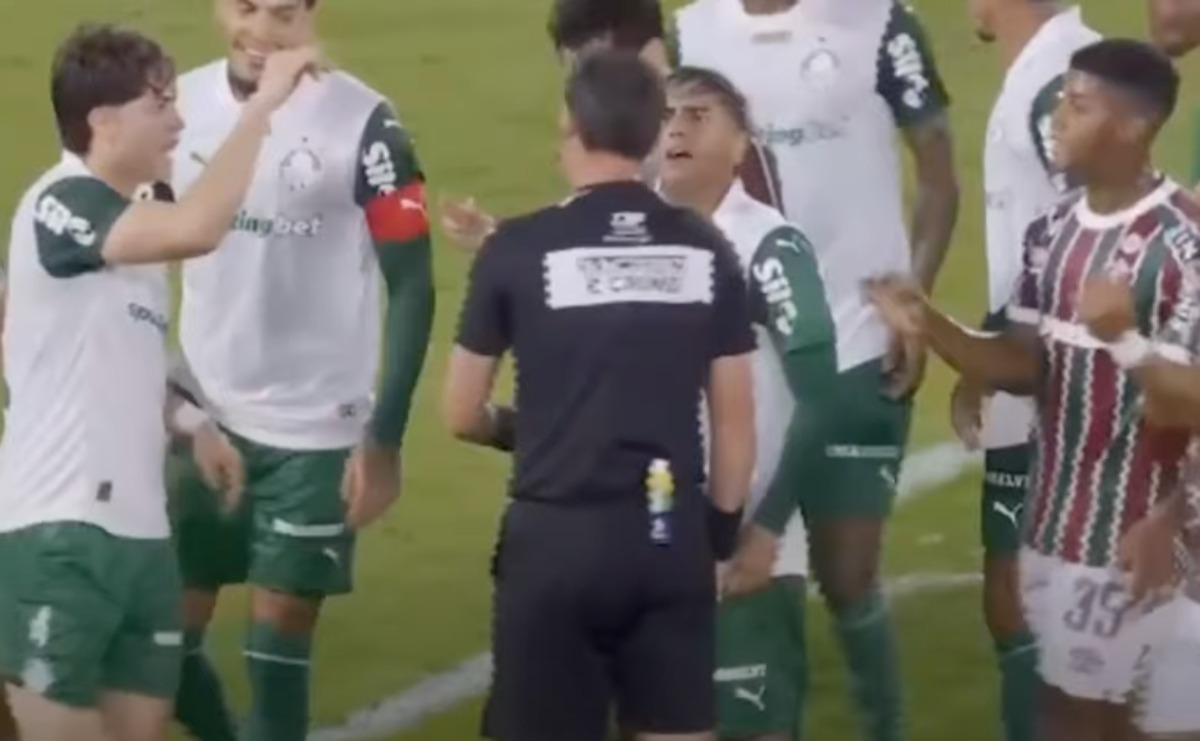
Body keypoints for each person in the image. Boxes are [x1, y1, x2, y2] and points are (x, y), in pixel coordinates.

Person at [866, 38, 1193, 741]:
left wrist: (1123, 339)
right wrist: (930, 323)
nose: (1057, 119)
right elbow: (1024, 363)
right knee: (1067, 718)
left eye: (1078, 106)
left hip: (1147, 535)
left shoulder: (1183, 246)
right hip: (1056, 529)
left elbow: (1188, 401)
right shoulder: (1051, 232)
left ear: (1134, 126)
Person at [0, 23, 310, 741]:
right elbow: (199, 227)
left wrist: (194, 426)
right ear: (104, 121)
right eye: (158, 104)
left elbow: (119, 364)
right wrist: (262, 107)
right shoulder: (63, 202)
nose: (177, 120)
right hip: (62, 533)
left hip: (143, 543)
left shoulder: (127, 236)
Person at [443, 49, 755, 741]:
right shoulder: (707, 249)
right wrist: (716, 541)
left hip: (556, 537)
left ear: (570, 126)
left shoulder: (516, 248)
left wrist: (528, 428)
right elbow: (736, 425)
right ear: (652, 135)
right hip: (667, 529)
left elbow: (460, 412)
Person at [668, 3, 958, 739]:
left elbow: (938, 173)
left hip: (860, 334)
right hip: (747, 352)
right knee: (743, 566)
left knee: (847, 570)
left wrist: (914, 298)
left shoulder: (879, 22)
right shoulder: (693, 31)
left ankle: (883, 726)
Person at [165, 0, 437, 739]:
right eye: (245, 7)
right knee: (164, 649)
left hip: (315, 431)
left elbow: (412, 282)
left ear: (310, 12)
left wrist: (384, 439)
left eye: (281, 11)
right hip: (202, 417)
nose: (259, 29)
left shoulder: (368, 125)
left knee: (275, 655)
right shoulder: (178, 108)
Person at [656, 66, 827, 741]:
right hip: (643, 537)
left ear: (740, 144)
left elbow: (824, 396)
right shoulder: (627, 231)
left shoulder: (769, 247)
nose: (675, 129)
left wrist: (769, 528)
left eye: (697, 115)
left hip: (748, 540)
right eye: (666, 115)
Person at [952, 3, 1099, 740]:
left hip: (1060, 380)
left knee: (1027, 599)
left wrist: (993, 348)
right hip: (1039, 364)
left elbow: (1094, 225)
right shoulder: (1050, 69)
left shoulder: (1053, 85)